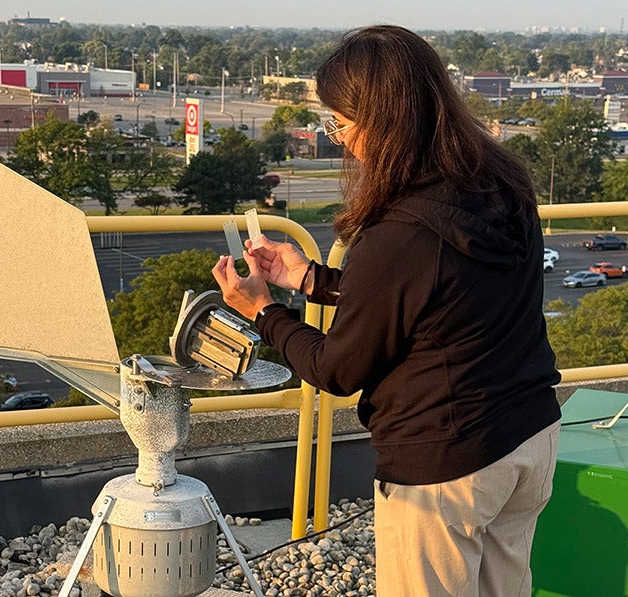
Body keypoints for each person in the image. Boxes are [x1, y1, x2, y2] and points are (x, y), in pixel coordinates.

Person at [212, 25, 561, 597]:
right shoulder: (501, 181)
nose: (342, 142)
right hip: (528, 436)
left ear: (388, 120)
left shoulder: (397, 233)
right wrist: (308, 278)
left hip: (446, 464)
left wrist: (263, 311)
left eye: (343, 125)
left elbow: (337, 371)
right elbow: (435, 301)